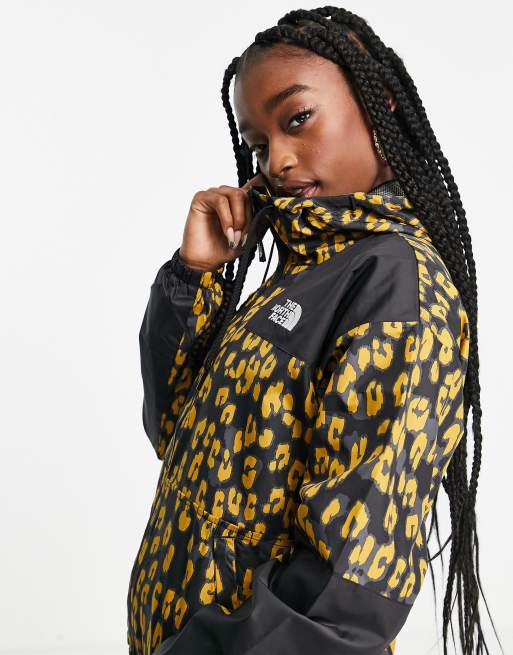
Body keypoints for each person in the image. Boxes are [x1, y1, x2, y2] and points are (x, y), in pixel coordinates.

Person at [127, 7, 498, 655]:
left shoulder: (395, 285)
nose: (277, 159)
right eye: (258, 143)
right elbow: (173, 430)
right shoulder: (302, 270)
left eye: (297, 118)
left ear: (378, 105)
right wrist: (193, 276)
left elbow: (346, 588)